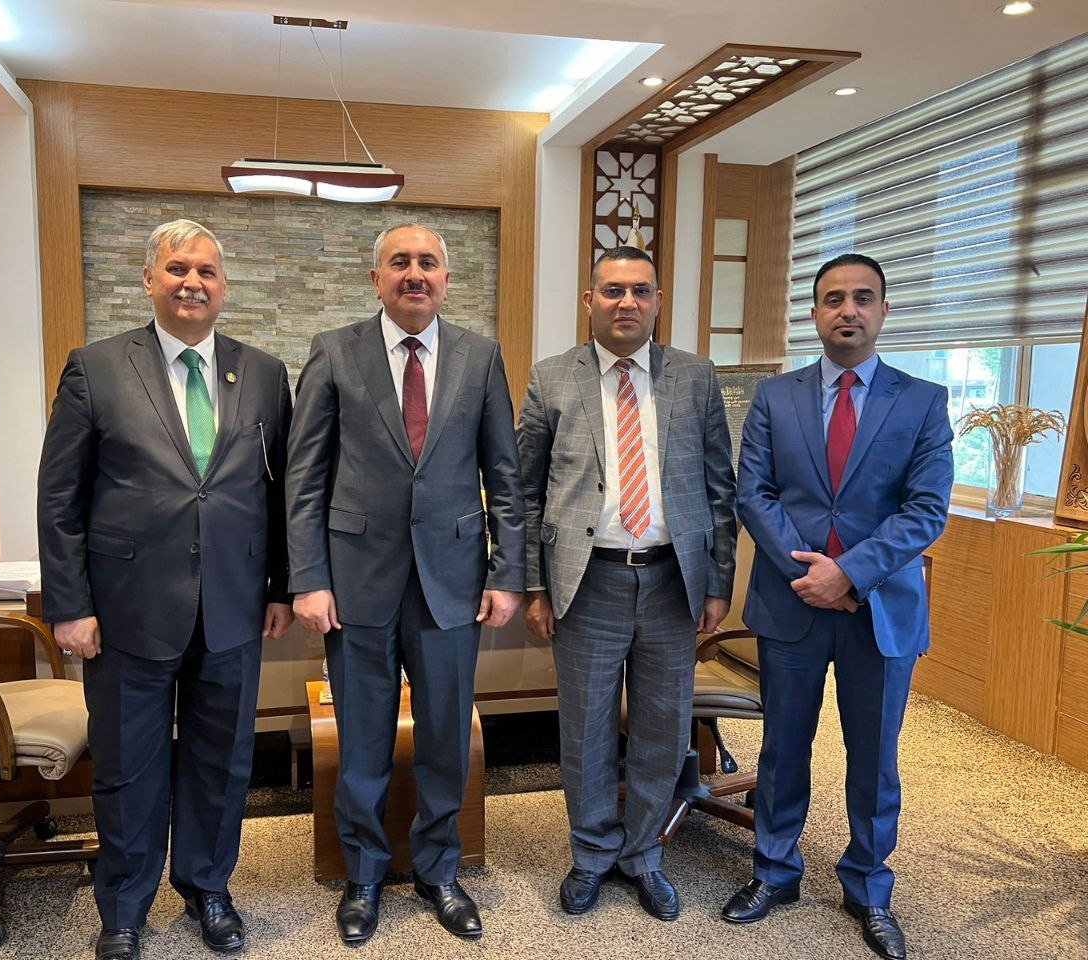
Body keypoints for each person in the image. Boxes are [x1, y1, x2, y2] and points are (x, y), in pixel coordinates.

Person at [38, 219, 293, 960]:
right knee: (128, 766)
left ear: (224, 286)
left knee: (222, 762)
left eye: (207, 271)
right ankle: (123, 908)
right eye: (178, 269)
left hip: (234, 608)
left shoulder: (264, 373)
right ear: (149, 279)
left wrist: (280, 586)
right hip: (127, 611)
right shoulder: (96, 368)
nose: (193, 283)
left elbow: (281, 493)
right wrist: (70, 605)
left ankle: (209, 889)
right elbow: (60, 498)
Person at [286, 223, 524, 946]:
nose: (414, 273)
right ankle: (363, 875)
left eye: (428, 263)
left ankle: (438, 870)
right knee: (361, 739)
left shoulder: (481, 356)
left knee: (447, 738)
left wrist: (507, 572)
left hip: (451, 580)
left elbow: (504, 476)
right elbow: (305, 477)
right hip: (354, 582)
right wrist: (308, 577)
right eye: (400, 262)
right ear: (376, 278)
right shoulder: (335, 350)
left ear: (446, 280)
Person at [724, 253, 953, 960]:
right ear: (815, 313)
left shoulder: (923, 401)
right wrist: (811, 574)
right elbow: (753, 493)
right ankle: (774, 870)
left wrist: (848, 575)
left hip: (878, 610)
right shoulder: (775, 396)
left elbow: (926, 510)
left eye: (862, 298)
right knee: (782, 747)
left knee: (874, 756)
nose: (847, 310)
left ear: (883, 310)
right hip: (791, 600)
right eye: (833, 299)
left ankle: (869, 888)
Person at [516, 246, 737, 922]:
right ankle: (590, 855)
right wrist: (534, 586)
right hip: (588, 580)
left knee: (663, 728)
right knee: (585, 728)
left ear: (658, 301)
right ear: (590, 300)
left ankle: (643, 855)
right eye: (612, 290)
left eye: (640, 290)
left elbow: (719, 487)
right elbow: (526, 492)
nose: (627, 302)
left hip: (673, 578)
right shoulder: (552, 377)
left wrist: (718, 582)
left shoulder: (695, 377)